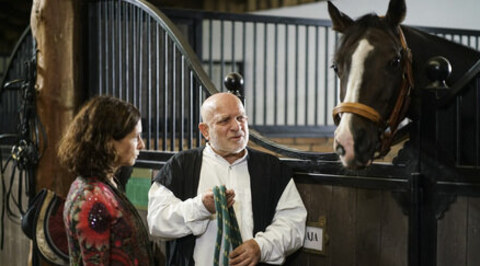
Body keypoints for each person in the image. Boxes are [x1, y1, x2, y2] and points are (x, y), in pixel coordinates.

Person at [147, 92, 307, 265]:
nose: (236, 127)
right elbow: (156, 222)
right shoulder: (180, 166)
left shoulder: (273, 168)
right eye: (225, 120)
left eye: (241, 118)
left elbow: (293, 223)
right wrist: (200, 207)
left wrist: (261, 247)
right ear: (205, 130)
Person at [58, 95, 154, 265]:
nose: (141, 145)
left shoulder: (102, 186)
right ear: (109, 142)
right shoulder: (92, 198)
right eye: (135, 137)